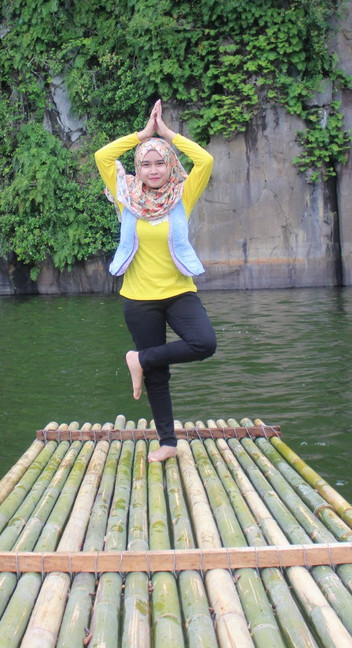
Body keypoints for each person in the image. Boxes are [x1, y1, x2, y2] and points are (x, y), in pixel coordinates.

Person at [95, 99, 217, 462]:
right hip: (138, 298)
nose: (152, 170)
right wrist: (143, 135)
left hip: (179, 292)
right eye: (145, 163)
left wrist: (167, 134)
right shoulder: (125, 196)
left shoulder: (183, 194)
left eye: (159, 162)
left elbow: (206, 161)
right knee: (158, 375)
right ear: (137, 167)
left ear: (170, 166)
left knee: (203, 343)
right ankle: (167, 442)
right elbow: (103, 156)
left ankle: (140, 359)